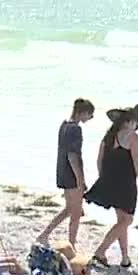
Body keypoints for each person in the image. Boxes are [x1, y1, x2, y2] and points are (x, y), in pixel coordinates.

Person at [86, 105, 138, 268]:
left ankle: (125, 258)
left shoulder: (109, 136)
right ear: (130, 122)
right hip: (125, 184)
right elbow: (137, 162)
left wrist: (103, 179)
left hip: (110, 181)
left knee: (121, 220)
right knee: (127, 219)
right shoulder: (133, 137)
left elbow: (99, 160)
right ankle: (101, 251)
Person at [37, 98, 97, 248]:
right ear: (81, 112)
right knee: (75, 212)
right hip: (71, 174)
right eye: (89, 114)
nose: (90, 118)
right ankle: (71, 244)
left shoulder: (64, 125)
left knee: (70, 209)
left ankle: (45, 234)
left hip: (62, 171)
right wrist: (80, 180)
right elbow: (73, 156)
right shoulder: (75, 129)